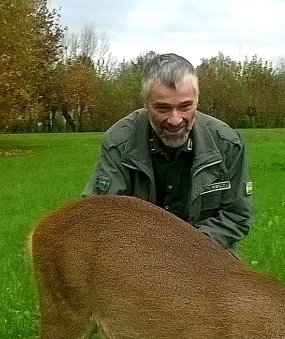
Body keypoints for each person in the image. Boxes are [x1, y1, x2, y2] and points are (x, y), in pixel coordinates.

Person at [84, 53, 253, 251]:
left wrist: (184, 250)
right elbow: (100, 215)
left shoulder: (227, 143)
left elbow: (237, 216)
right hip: (138, 255)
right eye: (163, 108)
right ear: (145, 103)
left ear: (197, 101)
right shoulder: (118, 143)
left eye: (185, 106)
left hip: (206, 253)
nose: (175, 119)